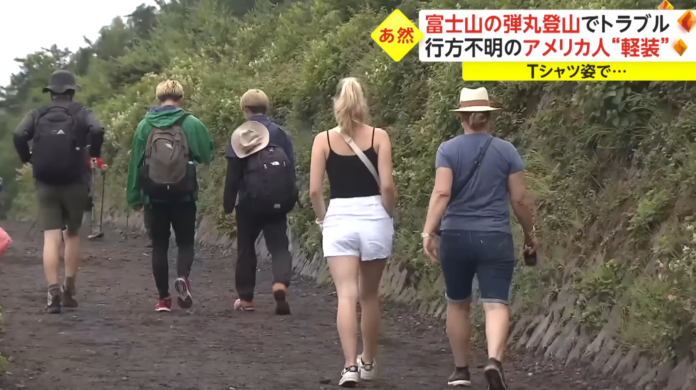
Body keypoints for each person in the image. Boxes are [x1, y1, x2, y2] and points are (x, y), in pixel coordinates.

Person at [421, 87, 539, 389]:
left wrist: (429, 230)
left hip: (456, 236)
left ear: (461, 117)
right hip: (495, 237)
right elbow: (520, 200)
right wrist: (529, 235)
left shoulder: (447, 150)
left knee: (458, 303)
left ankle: (461, 371)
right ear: (489, 118)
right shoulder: (507, 151)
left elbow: (442, 193)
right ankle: (494, 361)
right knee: (496, 304)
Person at [309, 77, 395, 387]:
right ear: (363, 104)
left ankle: (349, 367)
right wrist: (387, 211)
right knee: (369, 296)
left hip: (340, 217)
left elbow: (315, 190)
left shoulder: (323, 141)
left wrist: (323, 220)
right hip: (374, 217)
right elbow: (386, 185)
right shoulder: (379, 137)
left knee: (345, 295)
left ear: (337, 104)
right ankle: (369, 361)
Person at [13, 70, 105, 314]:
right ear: (72, 91)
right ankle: (69, 290)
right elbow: (97, 130)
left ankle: (52, 293)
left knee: (51, 237)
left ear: (51, 92)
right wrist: (93, 155)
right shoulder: (82, 112)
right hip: (75, 180)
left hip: (45, 181)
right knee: (72, 234)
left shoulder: (37, 114)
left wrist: (29, 159)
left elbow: (18, 134)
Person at [126, 80, 213, 312]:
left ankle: (163, 299)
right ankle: (183, 278)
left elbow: (135, 163)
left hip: (153, 196)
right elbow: (206, 153)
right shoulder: (191, 123)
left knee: (159, 246)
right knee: (185, 242)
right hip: (183, 194)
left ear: (158, 99)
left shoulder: (145, 126)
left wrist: (135, 197)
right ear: (181, 98)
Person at [223, 89, 297, 315]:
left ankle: (246, 299)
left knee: (246, 249)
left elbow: (233, 174)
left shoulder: (240, 134)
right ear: (267, 108)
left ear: (245, 109)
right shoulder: (280, 133)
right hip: (276, 201)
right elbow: (291, 166)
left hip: (248, 202)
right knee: (279, 247)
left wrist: (228, 204)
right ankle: (280, 285)